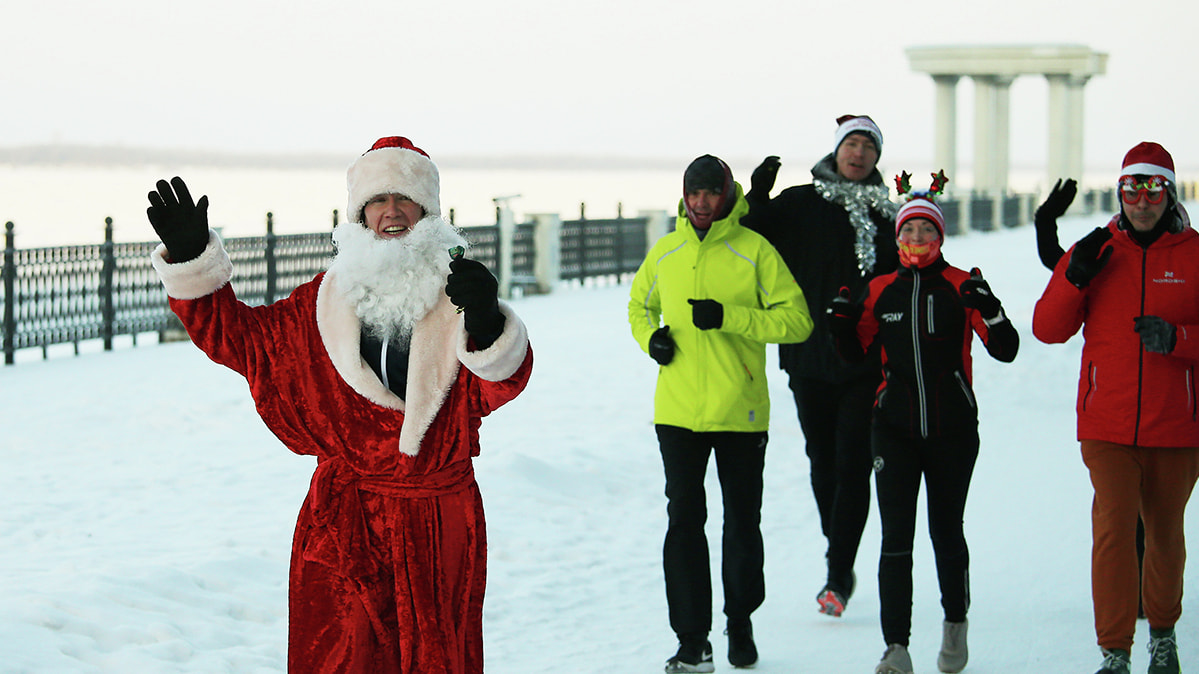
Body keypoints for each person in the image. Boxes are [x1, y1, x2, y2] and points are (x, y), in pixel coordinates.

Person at [145, 136, 533, 674]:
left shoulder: (461, 295)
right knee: (341, 658)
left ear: (427, 211)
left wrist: (489, 322)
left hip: (437, 524)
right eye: (378, 200)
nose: (392, 212)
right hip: (344, 528)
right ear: (359, 214)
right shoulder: (320, 305)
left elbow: (501, 386)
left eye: (405, 198)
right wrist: (193, 263)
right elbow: (242, 340)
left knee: (438, 657)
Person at [628, 154, 813, 673]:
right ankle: (693, 641)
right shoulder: (666, 250)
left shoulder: (754, 250)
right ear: (683, 196)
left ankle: (741, 619)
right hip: (678, 410)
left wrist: (732, 318)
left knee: (741, 523)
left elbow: (797, 321)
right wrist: (652, 340)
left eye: (712, 192)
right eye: (695, 192)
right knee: (684, 521)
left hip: (741, 410)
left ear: (729, 194)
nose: (703, 202)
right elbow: (639, 304)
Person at [827, 176, 1019, 674]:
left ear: (940, 238)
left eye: (926, 233)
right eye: (908, 233)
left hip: (953, 429)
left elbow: (1007, 349)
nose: (916, 242)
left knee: (946, 532)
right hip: (893, 428)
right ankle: (897, 649)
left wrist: (992, 311)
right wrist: (841, 325)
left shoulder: (960, 285)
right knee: (896, 538)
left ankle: (955, 627)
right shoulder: (880, 289)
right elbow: (852, 356)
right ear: (897, 239)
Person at [1033, 141, 1199, 674]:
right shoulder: (1098, 249)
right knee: (1113, 533)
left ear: (1170, 194)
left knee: (1165, 536)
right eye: (1132, 189)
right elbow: (1047, 329)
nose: (1141, 201)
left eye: (1153, 189)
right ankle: (1114, 651)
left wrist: (1178, 339)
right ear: (1120, 193)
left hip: (1177, 424)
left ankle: (1164, 637)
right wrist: (1073, 277)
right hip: (1107, 422)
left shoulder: (1195, 254)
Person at [743, 114, 900, 617]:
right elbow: (747, 235)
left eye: (868, 147)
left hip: (866, 359)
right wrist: (756, 195)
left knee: (854, 461)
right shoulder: (800, 202)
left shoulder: (887, 216)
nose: (858, 154)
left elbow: (913, 270)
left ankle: (837, 571)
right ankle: (841, 550)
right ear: (836, 151)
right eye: (851, 144)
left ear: (877, 158)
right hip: (808, 354)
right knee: (822, 461)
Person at [1035, 177, 1149, 621]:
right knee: (1121, 503)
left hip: (1166, 397)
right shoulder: (1107, 248)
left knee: (1153, 506)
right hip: (1115, 397)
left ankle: (1147, 588)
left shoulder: (1182, 253)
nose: (1142, 207)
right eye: (1132, 196)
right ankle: (1131, 587)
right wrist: (1046, 221)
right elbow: (1059, 265)